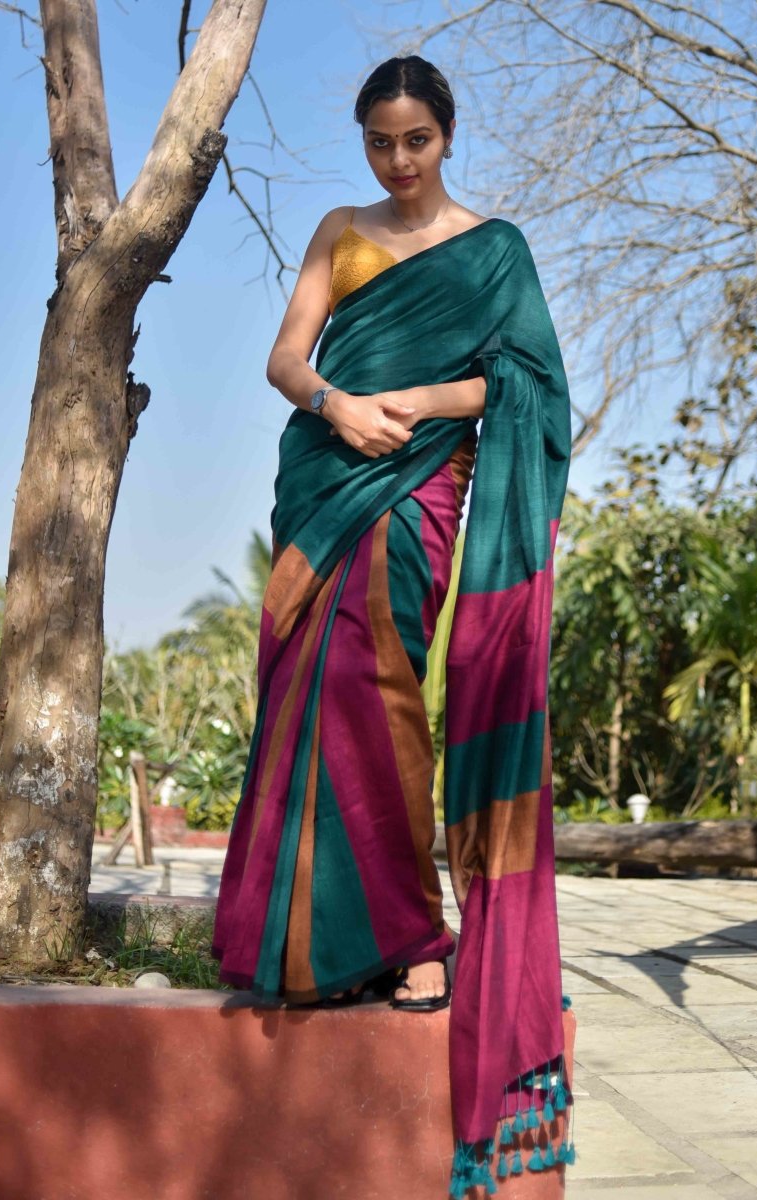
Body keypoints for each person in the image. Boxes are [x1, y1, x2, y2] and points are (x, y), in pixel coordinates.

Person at [211, 55, 575, 1196]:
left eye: (416, 139)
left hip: (421, 489)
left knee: (382, 693)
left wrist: (417, 401)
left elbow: (526, 385)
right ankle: (306, 944)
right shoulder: (340, 230)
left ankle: (412, 939)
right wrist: (336, 404)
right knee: (306, 696)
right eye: (380, 141)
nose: (398, 160)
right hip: (327, 478)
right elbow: (287, 357)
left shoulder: (494, 250)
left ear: (447, 135)